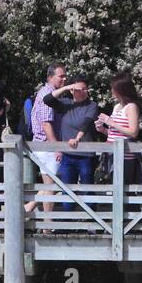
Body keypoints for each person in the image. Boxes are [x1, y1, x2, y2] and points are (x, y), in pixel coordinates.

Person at [43, 75, 100, 211]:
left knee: (87, 189)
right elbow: (47, 99)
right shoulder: (66, 104)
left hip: (86, 156)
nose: (84, 91)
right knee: (67, 190)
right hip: (68, 155)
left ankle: (92, 223)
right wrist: (67, 87)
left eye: (86, 89)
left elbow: (86, 124)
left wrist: (77, 138)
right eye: (80, 89)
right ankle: (67, 224)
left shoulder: (91, 105)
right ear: (73, 91)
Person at [27, 63, 66, 215]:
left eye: (65, 75)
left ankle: (29, 207)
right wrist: (56, 147)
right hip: (46, 146)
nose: (64, 79)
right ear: (50, 77)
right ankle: (47, 226)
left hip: (46, 145)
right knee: (51, 187)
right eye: (61, 76)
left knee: (53, 185)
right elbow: (46, 124)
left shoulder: (49, 93)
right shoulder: (46, 94)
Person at [95, 71, 142, 183]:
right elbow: (116, 133)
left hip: (125, 157)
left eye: (113, 88)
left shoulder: (131, 107)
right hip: (112, 154)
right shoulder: (116, 107)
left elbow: (133, 132)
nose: (111, 91)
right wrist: (103, 129)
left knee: (123, 190)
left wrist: (111, 122)